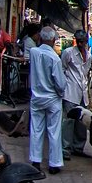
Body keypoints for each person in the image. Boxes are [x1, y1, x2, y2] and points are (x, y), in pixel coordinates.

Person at [29, 25, 66, 174]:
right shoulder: (54, 58)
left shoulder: (33, 52)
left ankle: (36, 160)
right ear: (52, 39)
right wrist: (59, 93)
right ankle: (54, 163)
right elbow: (61, 84)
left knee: (36, 129)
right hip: (52, 98)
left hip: (37, 97)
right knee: (54, 131)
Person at [61, 29, 91, 159]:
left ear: (86, 42)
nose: (80, 44)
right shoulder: (68, 53)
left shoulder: (88, 56)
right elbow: (62, 69)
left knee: (81, 122)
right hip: (70, 92)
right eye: (78, 41)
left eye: (82, 42)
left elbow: (86, 74)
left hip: (83, 93)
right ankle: (65, 148)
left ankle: (78, 147)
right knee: (69, 121)